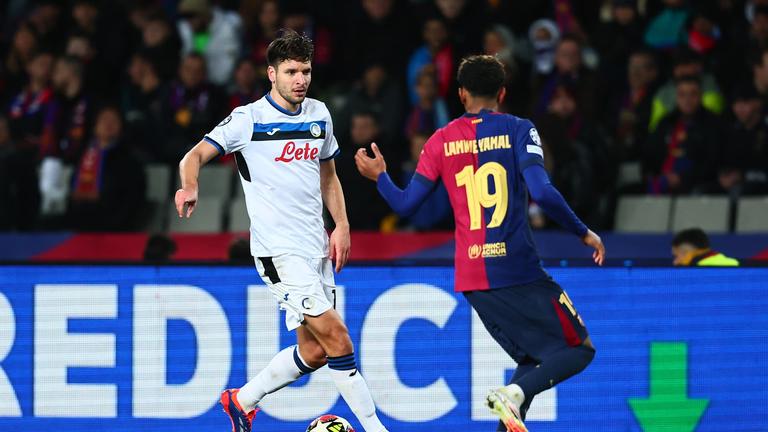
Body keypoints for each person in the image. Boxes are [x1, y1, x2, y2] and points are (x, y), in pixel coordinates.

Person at [355, 55, 604, 432]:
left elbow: (406, 203)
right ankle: (513, 397)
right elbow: (543, 192)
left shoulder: (440, 140)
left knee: (533, 359)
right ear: (502, 93)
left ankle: (514, 402)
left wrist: (381, 177)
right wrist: (584, 232)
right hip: (517, 269)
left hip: (472, 277)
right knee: (579, 349)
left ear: (461, 94)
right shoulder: (520, 129)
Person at [174, 30, 388, 432]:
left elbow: (329, 176)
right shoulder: (247, 119)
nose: (300, 80)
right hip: (279, 253)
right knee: (339, 340)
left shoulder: (319, 114)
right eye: (291, 71)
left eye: (305, 71)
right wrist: (190, 186)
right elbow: (195, 155)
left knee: (315, 352)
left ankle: (241, 401)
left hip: (315, 247)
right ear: (271, 74)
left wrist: (340, 225)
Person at [671, 228, 739, 266]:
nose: (675, 262)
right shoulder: (734, 262)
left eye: (677, 256)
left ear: (686, 252)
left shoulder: (697, 272)